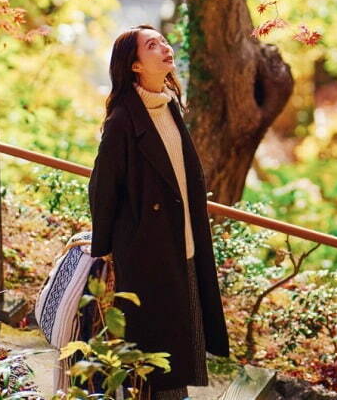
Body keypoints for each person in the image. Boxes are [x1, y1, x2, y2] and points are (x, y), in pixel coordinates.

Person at [88, 24, 231, 400]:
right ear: (135, 65)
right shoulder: (122, 120)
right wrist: (102, 250)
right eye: (152, 46)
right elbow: (103, 187)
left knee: (180, 336)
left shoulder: (168, 105)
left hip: (181, 241)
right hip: (147, 250)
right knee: (157, 343)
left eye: (163, 41)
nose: (165, 48)